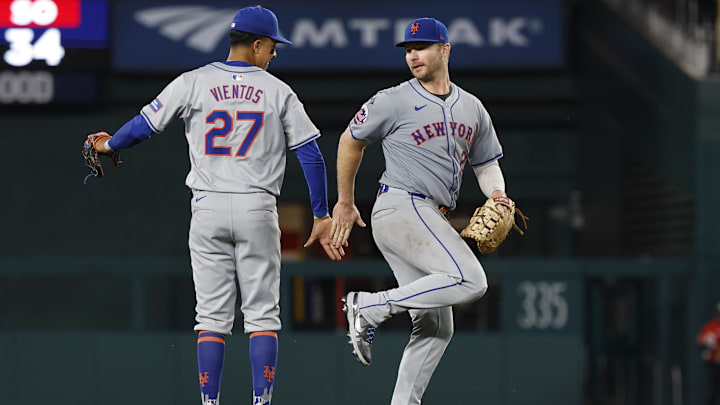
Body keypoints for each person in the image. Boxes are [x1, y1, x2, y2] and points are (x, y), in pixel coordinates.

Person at [83, 6, 344, 405]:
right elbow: (310, 155)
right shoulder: (278, 91)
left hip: (207, 208)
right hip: (258, 208)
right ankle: (262, 401)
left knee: (211, 320)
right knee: (262, 317)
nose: (274, 55)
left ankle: (209, 402)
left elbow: (143, 126)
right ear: (256, 44)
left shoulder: (194, 81)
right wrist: (322, 214)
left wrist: (108, 144)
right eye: (272, 47)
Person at [330, 17, 512, 405]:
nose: (413, 55)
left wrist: (497, 194)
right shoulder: (392, 99)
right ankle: (370, 305)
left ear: (445, 50)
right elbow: (350, 141)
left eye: (422, 47)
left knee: (435, 326)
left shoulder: (473, 107)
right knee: (471, 281)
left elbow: (485, 163)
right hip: (400, 205)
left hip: (429, 214)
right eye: (408, 49)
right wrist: (345, 202)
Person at [698, 302, 720, 405]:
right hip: (713, 364)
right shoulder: (711, 326)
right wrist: (708, 345)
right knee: (712, 391)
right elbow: (701, 342)